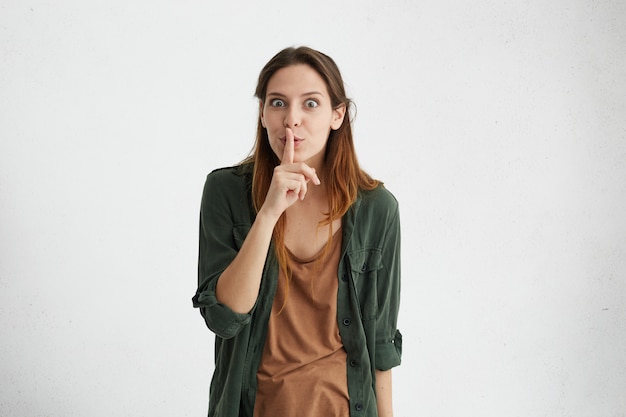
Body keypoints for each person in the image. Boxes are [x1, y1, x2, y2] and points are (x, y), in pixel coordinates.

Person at [192, 46, 402, 417]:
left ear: (337, 115)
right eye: (277, 103)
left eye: (310, 104)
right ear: (262, 113)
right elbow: (225, 317)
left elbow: (381, 344)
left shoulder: (378, 209)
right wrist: (270, 211)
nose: (291, 119)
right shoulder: (225, 192)